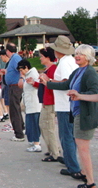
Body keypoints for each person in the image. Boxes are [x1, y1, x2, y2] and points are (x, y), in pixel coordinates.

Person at [44, 44, 98, 188]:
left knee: (83, 149)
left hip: (85, 114)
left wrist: (79, 95)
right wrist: (47, 83)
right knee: (80, 147)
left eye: (81, 54)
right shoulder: (78, 71)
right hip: (77, 113)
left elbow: (95, 94)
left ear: (88, 57)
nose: (77, 56)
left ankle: (91, 182)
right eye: (76, 53)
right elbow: (66, 84)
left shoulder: (90, 73)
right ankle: (85, 174)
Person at [40, 35, 81, 180]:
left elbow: (65, 83)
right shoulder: (71, 61)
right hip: (71, 103)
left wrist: (48, 82)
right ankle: (71, 161)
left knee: (66, 137)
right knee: (71, 135)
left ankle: (73, 167)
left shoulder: (64, 63)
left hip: (64, 104)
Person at [26, 47, 61, 160]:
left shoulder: (53, 69)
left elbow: (52, 86)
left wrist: (46, 81)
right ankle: (52, 149)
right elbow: (43, 86)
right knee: (44, 126)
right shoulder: (48, 69)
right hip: (46, 101)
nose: (40, 58)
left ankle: (54, 153)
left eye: (41, 56)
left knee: (47, 126)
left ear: (47, 57)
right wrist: (35, 83)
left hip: (49, 102)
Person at [17, 59, 42, 152]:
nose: (21, 72)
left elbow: (39, 85)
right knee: (30, 124)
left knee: (34, 124)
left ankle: (36, 143)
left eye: (21, 70)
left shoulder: (33, 73)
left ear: (26, 67)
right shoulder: (27, 74)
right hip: (29, 103)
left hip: (34, 104)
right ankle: (33, 141)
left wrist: (33, 83)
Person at [5, 43, 25, 141]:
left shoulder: (15, 58)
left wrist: (21, 77)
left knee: (14, 110)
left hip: (15, 86)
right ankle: (21, 127)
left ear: (7, 51)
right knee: (16, 108)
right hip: (13, 85)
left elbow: (22, 67)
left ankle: (19, 134)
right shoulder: (13, 58)